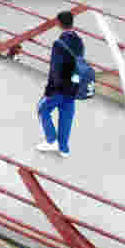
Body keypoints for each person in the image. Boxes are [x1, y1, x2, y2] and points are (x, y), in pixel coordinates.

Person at [36, 10, 83, 157]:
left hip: (59, 87)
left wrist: (50, 89)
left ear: (59, 24)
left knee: (42, 109)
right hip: (73, 87)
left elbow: (55, 68)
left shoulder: (59, 43)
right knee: (66, 117)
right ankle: (64, 149)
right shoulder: (79, 41)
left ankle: (51, 140)